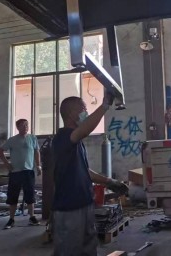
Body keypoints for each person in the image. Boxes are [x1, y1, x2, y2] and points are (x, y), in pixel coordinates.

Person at [52, 93, 128, 256]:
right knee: (69, 251)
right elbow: (84, 130)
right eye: (83, 108)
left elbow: (85, 171)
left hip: (85, 205)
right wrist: (104, 106)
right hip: (70, 209)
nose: (86, 112)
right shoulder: (62, 138)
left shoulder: (77, 143)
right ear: (71, 113)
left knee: (88, 248)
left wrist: (110, 182)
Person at [0, 118, 41, 229]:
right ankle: (11, 219)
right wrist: (7, 164)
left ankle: (32, 217)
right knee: (13, 195)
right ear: (17, 127)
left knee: (30, 195)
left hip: (28, 171)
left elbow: (36, 152)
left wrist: (38, 165)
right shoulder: (12, 140)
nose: (25, 127)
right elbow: (0, 150)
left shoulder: (32, 138)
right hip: (15, 172)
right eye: (23, 125)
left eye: (27, 125)